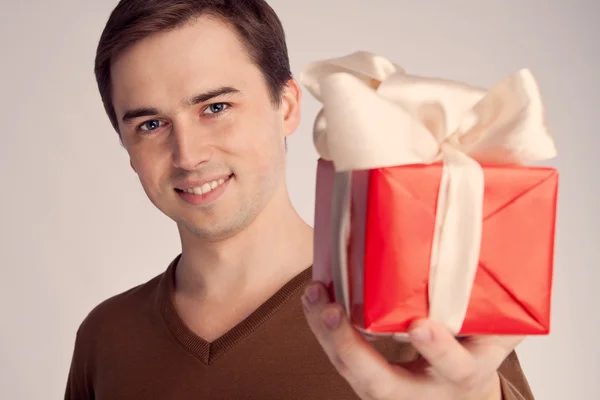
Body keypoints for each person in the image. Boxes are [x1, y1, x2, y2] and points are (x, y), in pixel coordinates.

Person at [65, 0, 536, 399]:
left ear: (287, 106)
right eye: (150, 124)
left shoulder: (418, 312)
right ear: (127, 149)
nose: (188, 155)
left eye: (215, 107)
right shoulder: (105, 337)